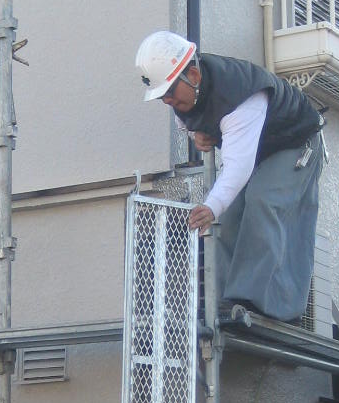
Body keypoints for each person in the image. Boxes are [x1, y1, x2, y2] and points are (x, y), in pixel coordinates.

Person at [134, 30, 325, 322]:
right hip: (259, 149)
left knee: (264, 201)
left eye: (169, 92)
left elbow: (238, 166)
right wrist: (198, 135)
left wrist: (211, 206)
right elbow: (194, 125)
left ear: (193, 75)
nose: (167, 100)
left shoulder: (238, 94)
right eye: (162, 96)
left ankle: (259, 301)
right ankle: (225, 301)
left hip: (296, 144)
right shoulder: (185, 97)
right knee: (229, 214)